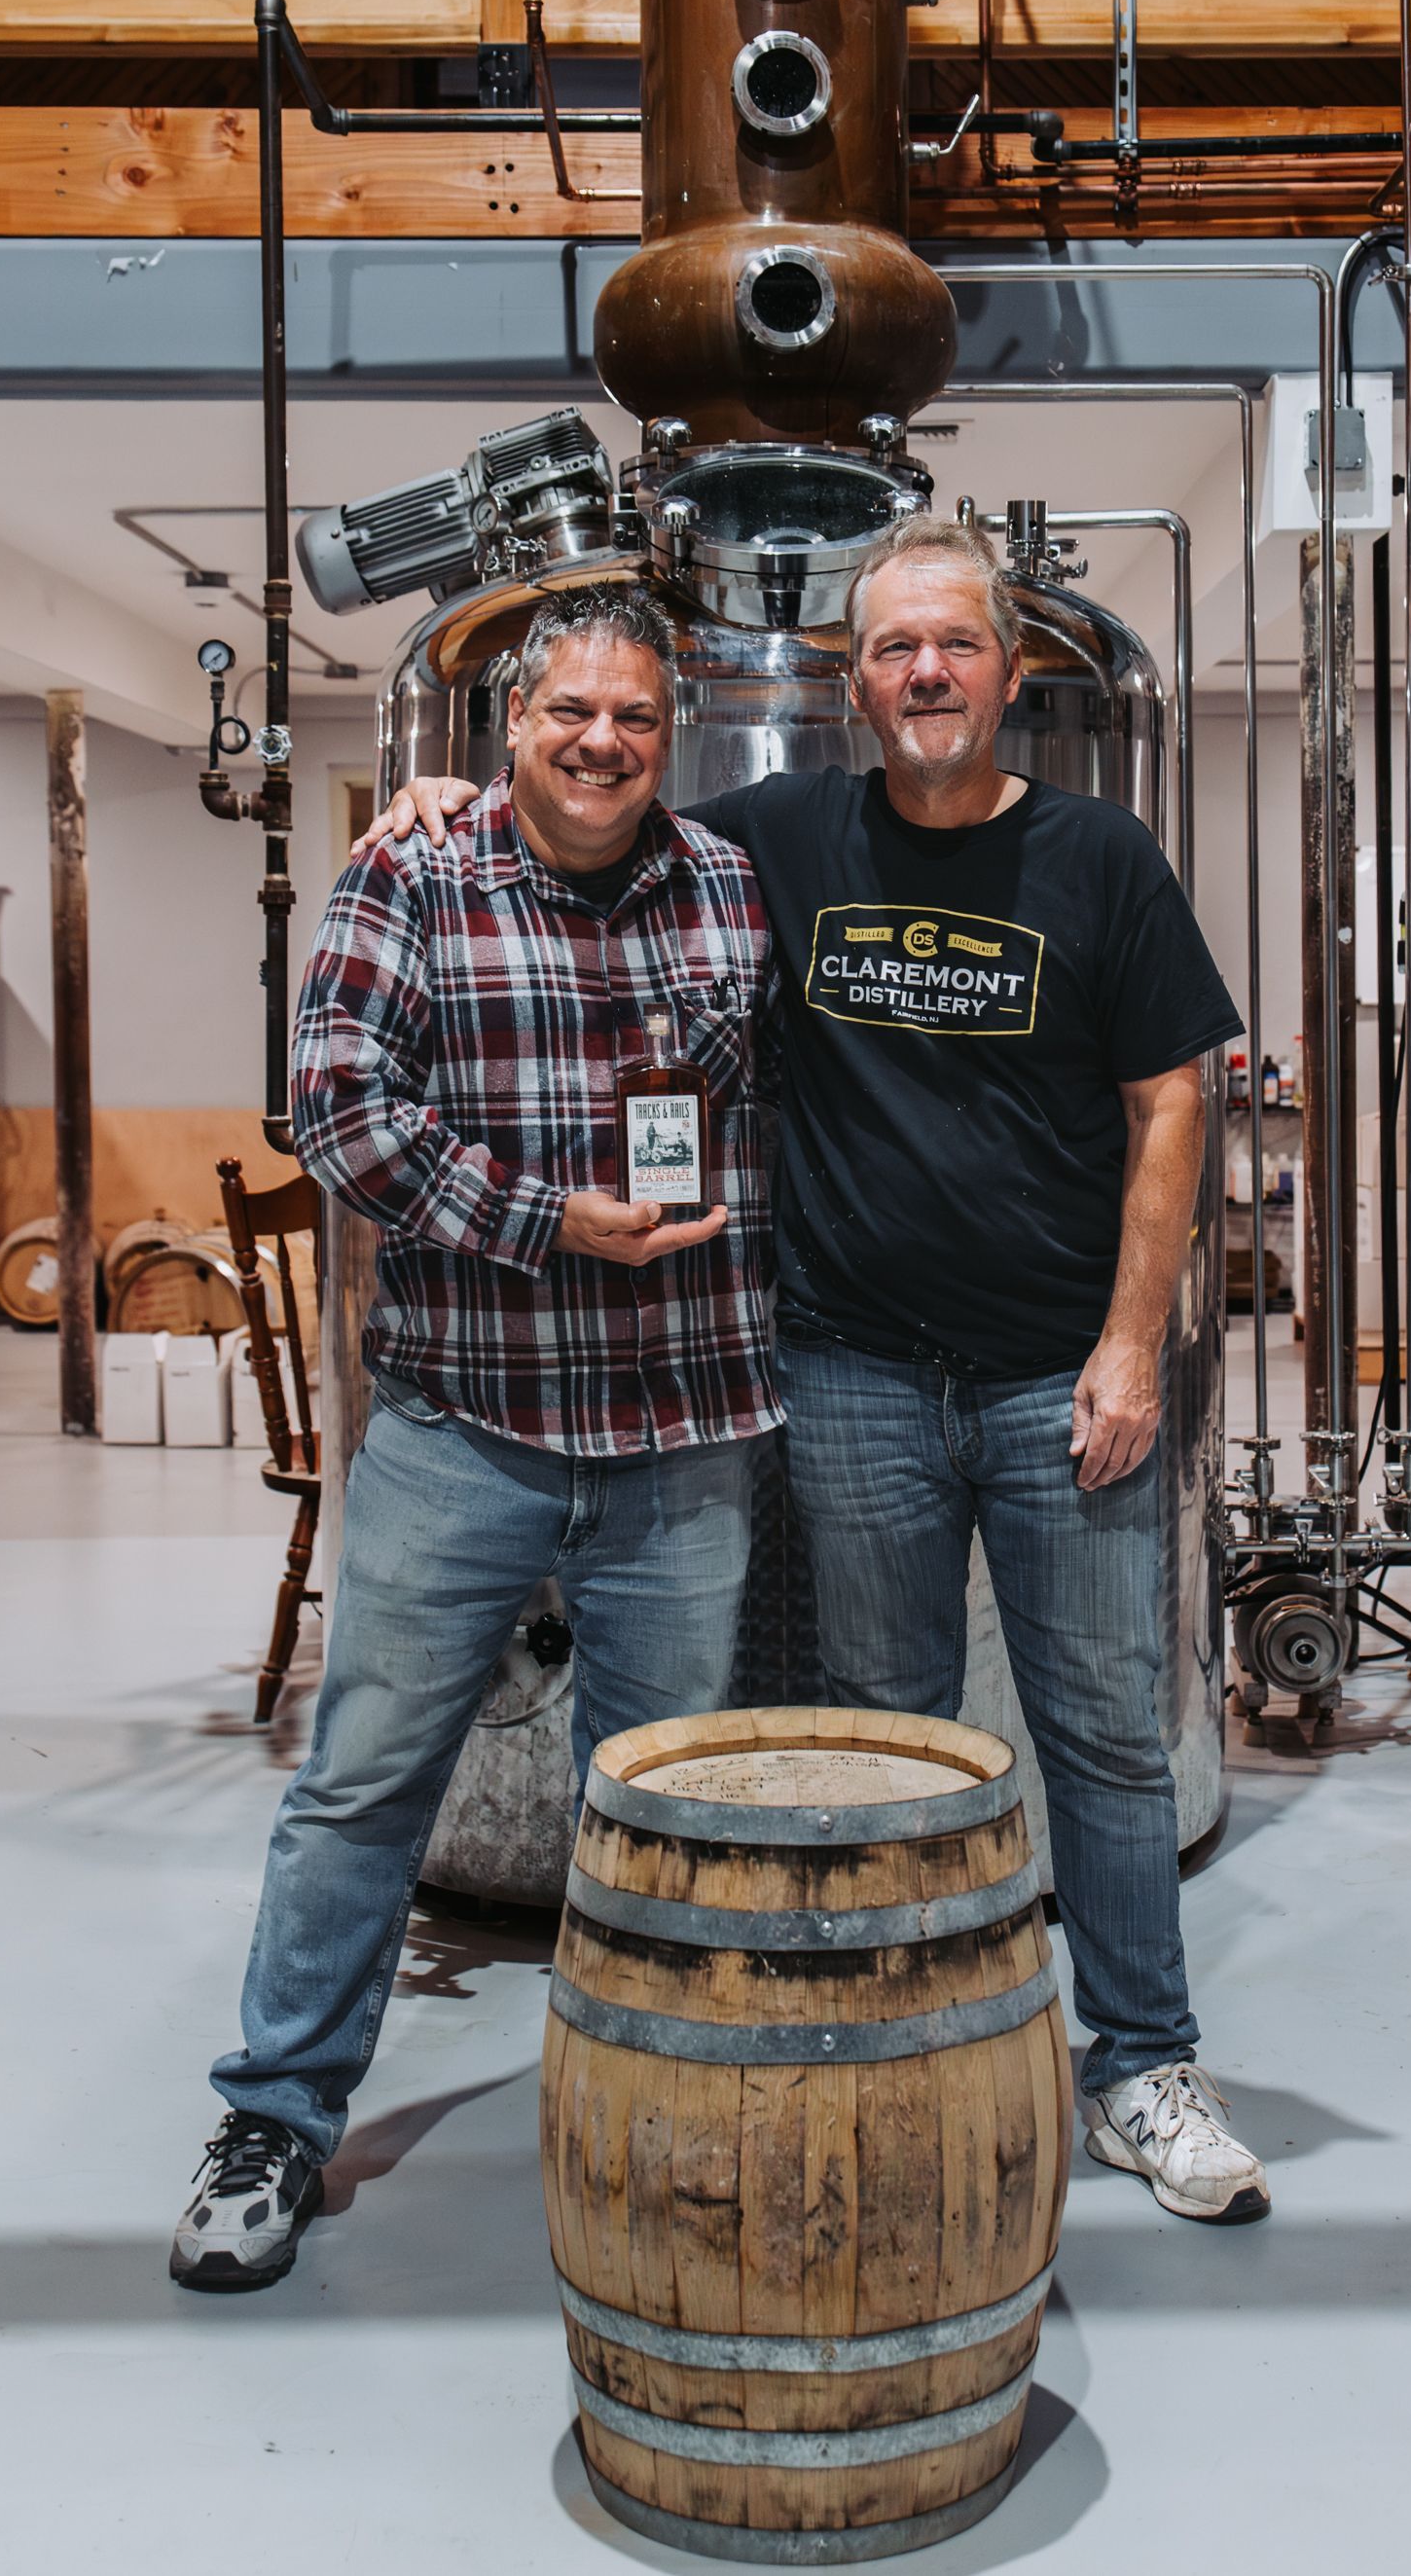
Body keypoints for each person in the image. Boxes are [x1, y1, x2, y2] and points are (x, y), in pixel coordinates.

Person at [368, 515, 1271, 2225]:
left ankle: (1142, 2061)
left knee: (1102, 1740)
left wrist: (1130, 1348)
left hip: (1054, 1382)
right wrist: (439, 810)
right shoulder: (779, 834)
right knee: (887, 1740)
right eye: (888, 650)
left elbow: (1172, 1102)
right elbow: (589, 812)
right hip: (850, 1378)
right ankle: (908, 2047)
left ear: (1006, 669)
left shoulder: (1100, 857)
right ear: (853, 682)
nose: (920, 673)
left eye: (952, 644)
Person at [172, 584, 779, 2292]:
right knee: (362, 1789)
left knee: (660, 1812)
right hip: (469, 1424)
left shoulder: (727, 881)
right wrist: (544, 1221)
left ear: (676, 736)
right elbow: (345, 1115)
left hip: (678, 1431)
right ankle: (276, 2114)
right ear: (502, 729)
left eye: (636, 719)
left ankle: (649, 2113)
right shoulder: (406, 872)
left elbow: (749, 1085)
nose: (600, 742)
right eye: (567, 713)